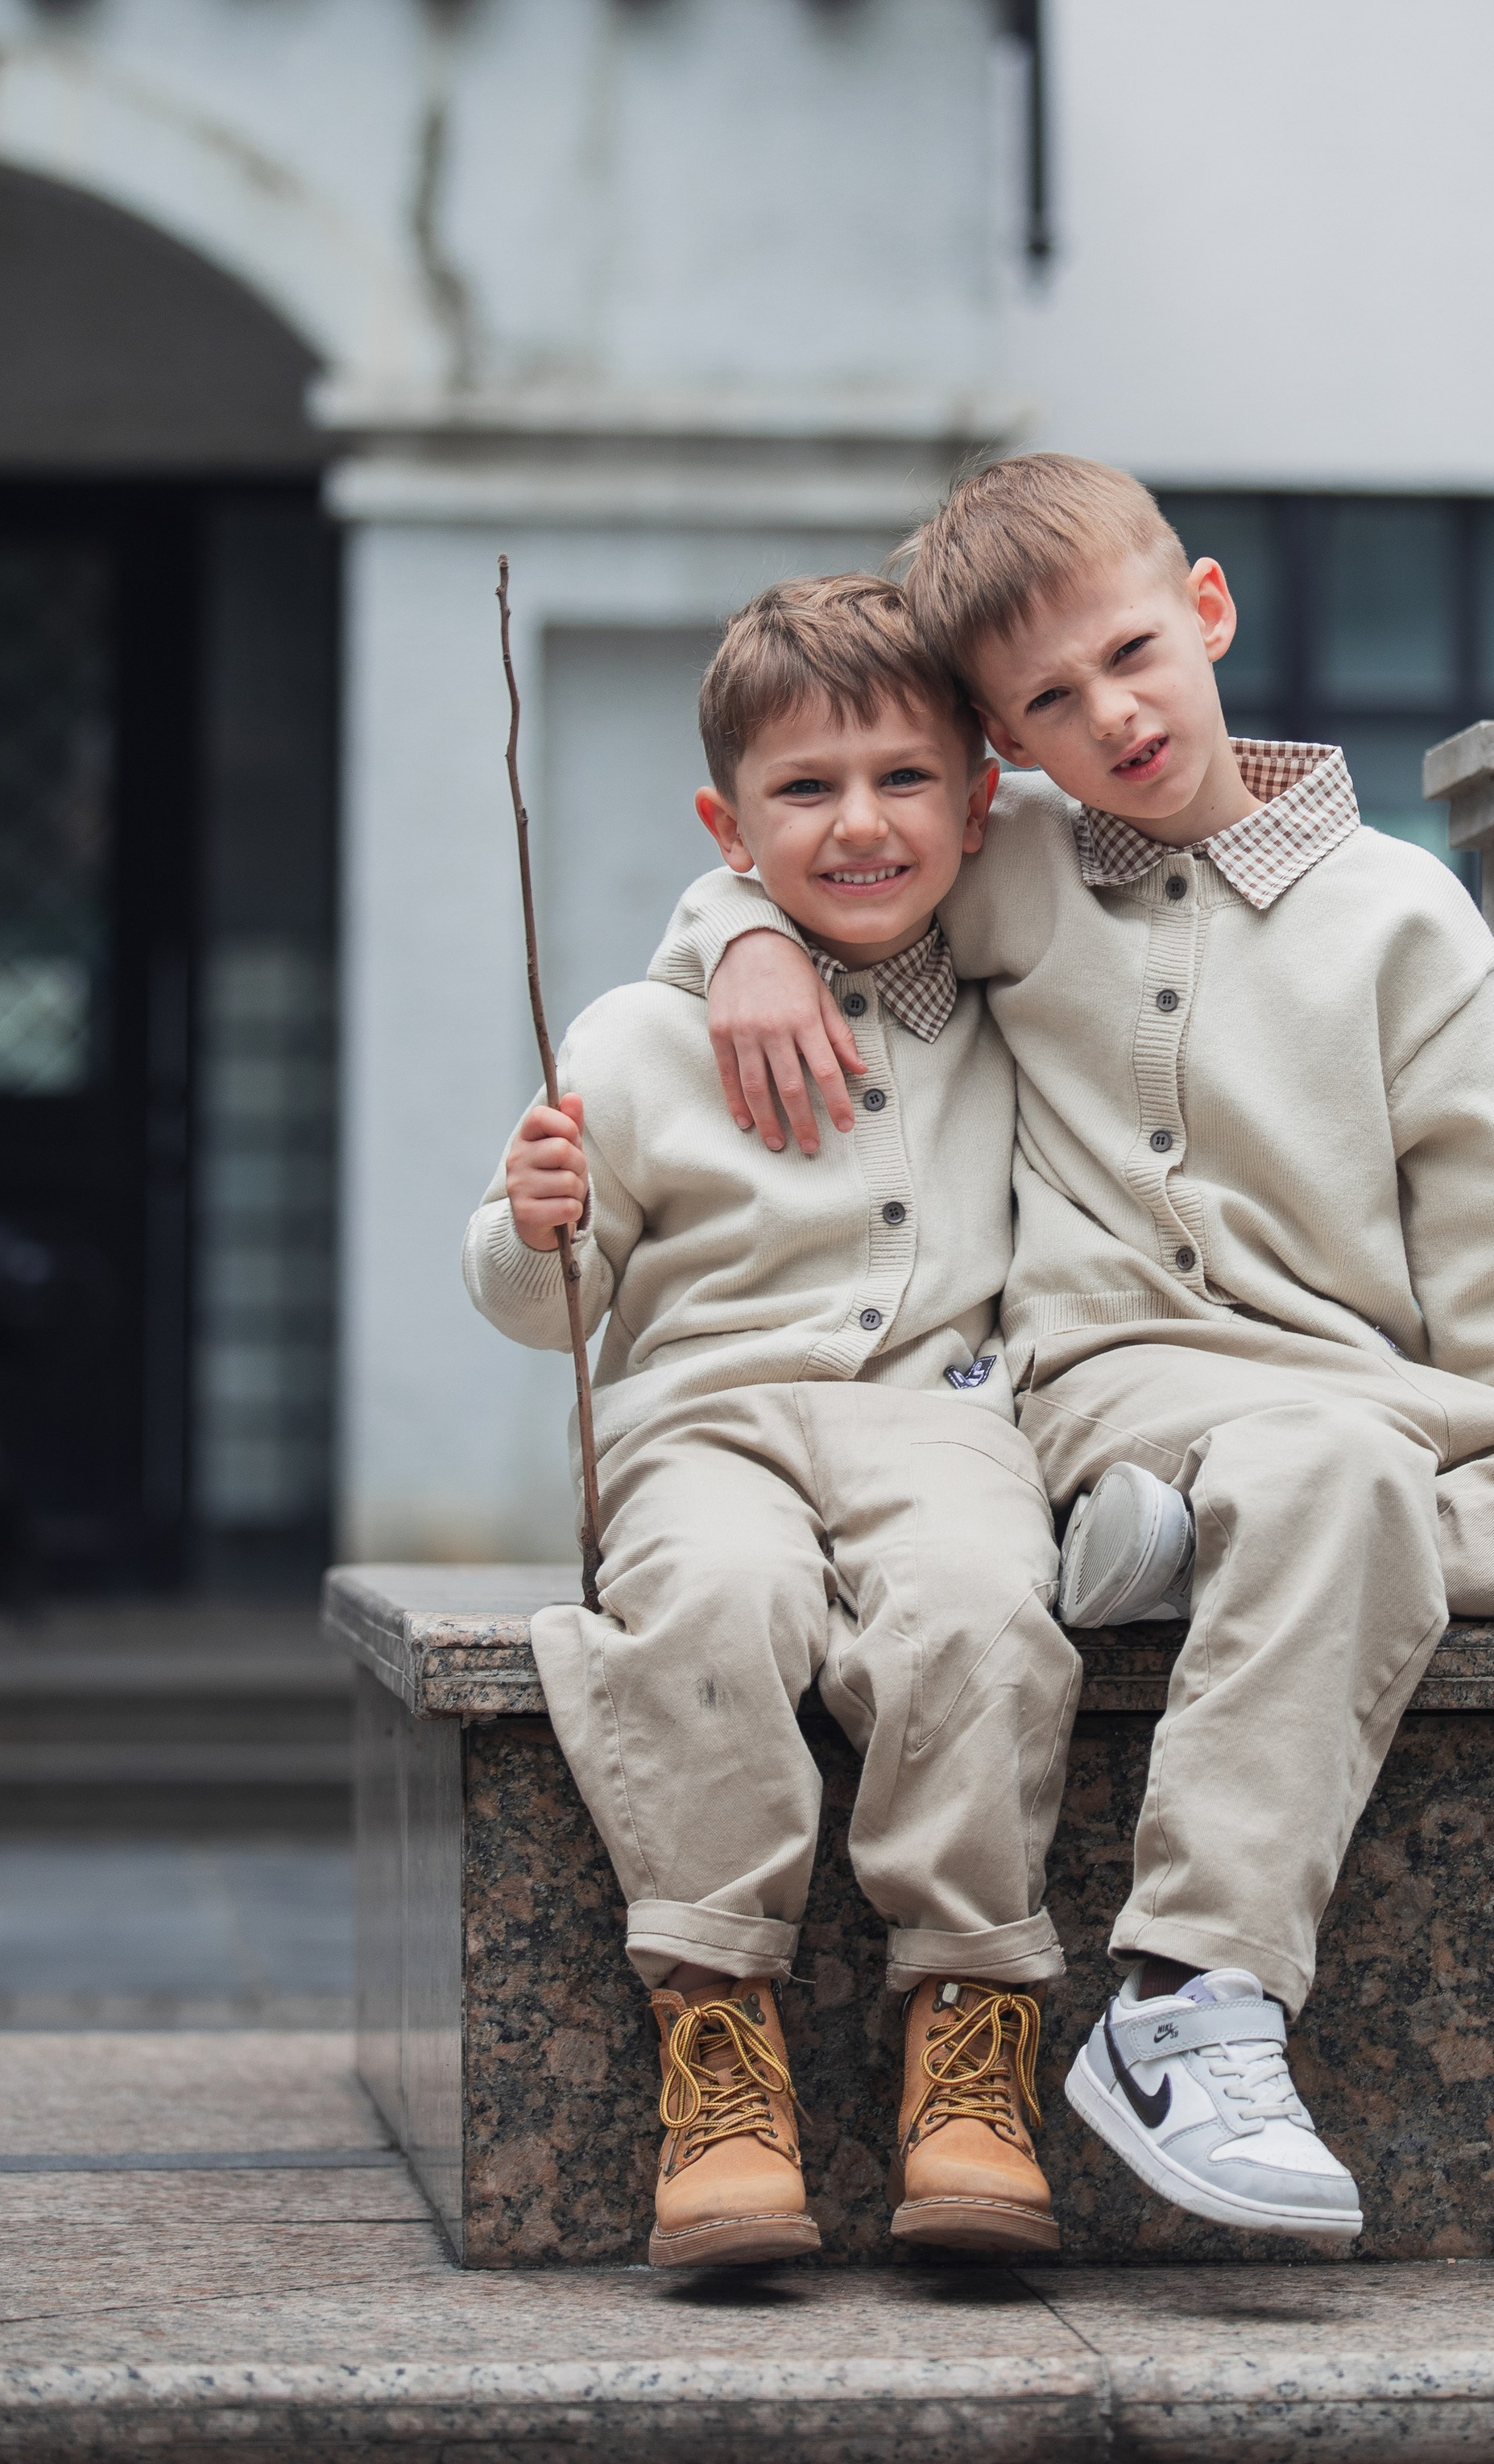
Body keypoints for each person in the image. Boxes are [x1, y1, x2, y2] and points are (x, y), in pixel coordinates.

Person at [652, 453, 1494, 2248]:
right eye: (1049, 704)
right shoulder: (1010, 866)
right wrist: (739, 935)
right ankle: (1186, 2003)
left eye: (1131, 656)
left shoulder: (1401, 913)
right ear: (1002, 745)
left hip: (1361, 1398)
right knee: (1342, 1473)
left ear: (1204, 611)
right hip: (1114, 1372)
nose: (1111, 717)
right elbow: (823, 868)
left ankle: (1208, 1556)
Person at [463, 574, 1079, 2271]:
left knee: (978, 1610)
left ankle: (968, 2028)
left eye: (902, 779)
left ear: (977, 798)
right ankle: (715, 2028)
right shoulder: (637, 1036)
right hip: (700, 1423)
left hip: (940, 1421)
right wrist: (529, 1227)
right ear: (725, 829)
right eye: (805, 789)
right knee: (717, 1603)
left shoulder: (1015, 1002)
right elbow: (547, 1307)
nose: (859, 823)